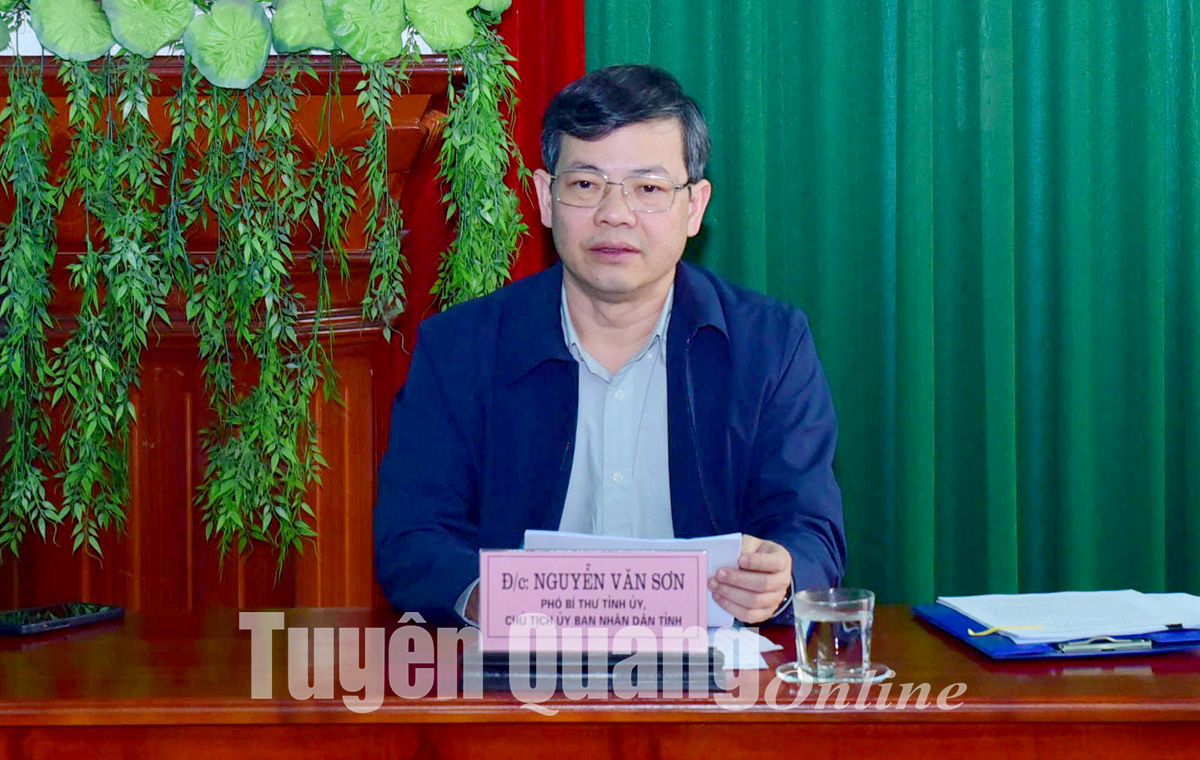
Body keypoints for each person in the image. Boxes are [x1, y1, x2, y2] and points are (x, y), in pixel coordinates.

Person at [374, 64, 845, 626]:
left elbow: (810, 531)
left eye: (649, 189)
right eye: (585, 185)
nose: (615, 215)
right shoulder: (459, 348)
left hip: (715, 666)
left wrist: (779, 577)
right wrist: (485, 596)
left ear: (694, 208)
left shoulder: (770, 346)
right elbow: (412, 537)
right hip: (520, 666)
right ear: (545, 198)